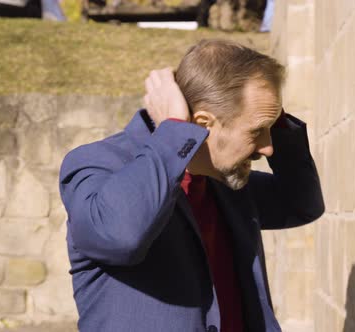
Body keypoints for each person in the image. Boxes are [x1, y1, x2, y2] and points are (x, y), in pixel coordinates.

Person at [59, 39, 324, 332]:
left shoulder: (224, 181)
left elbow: (301, 205)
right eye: (257, 131)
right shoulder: (96, 163)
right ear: (202, 124)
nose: (268, 148)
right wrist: (173, 128)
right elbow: (120, 239)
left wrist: (276, 121)